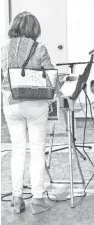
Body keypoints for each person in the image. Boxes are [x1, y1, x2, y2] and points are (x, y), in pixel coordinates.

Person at [1, 12, 54, 214]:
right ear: (34, 29)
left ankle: (16, 199)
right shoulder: (39, 48)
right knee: (38, 150)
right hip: (35, 104)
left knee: (18, 150)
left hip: (11, 103)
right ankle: (38, 200)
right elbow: (51, 77)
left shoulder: (4, 48)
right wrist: (51, 98)